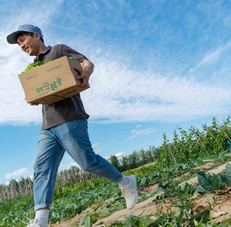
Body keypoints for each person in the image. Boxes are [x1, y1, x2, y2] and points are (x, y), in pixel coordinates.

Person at [7, 24, 138, 227]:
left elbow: (87, 62)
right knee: (42, 168)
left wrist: (86, 74)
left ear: (36, 36)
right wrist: (34, 98)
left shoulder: (58, 51)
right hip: (47, 124)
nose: (21, 46)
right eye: (18, 44)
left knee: (87, 162)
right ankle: (40, 221)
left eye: (22, 39)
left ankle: (126, 183)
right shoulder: (33, 68)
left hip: (70, 117)